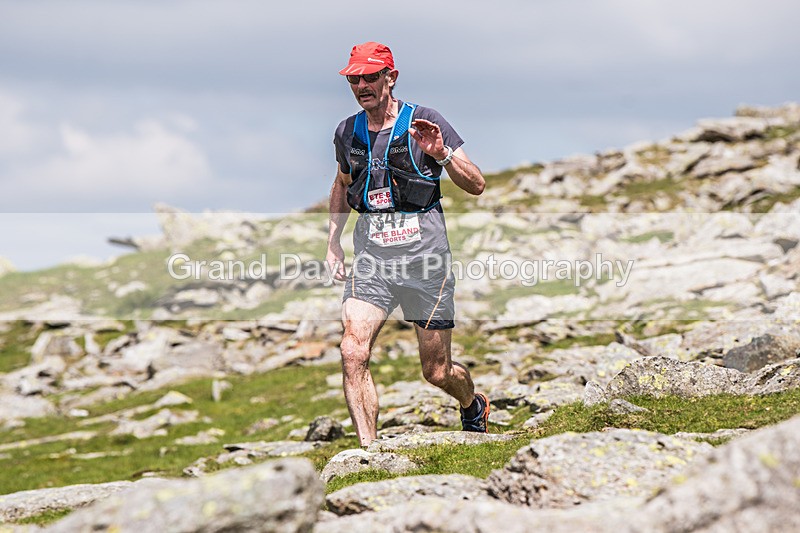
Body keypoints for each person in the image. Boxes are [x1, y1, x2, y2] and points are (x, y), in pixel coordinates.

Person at [326, 41, 488, 447]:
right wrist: (333, 243)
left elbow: (477, 185)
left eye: (369, 76)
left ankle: (472, 405)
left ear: (390, 78)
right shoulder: (347, 132)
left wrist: (443, 154)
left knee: (436, 372)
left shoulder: (426, 121)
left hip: (425, 263)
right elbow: (342, 185)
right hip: (373, 263)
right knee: (352, 350)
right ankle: (369, 452)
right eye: (354, 78)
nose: (361, 85)